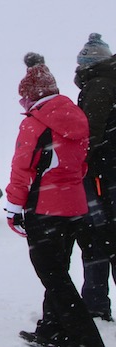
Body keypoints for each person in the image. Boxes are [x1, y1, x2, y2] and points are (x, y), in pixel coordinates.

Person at [5, 55, 105, 347]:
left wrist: (14, 208)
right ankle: (52, 330)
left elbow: (22, 169)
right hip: (74, 205)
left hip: (44, 207)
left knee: (53, 275)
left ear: (30, 96)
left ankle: (86, 339)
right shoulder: (76, 116)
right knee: (59, 268)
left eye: (23, 97)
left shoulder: (35, 123)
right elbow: (82, 164)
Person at [72, 36, 116, 321]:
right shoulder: (106, 82)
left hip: (103, 176)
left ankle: (96, 305)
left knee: (98, 241)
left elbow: (90, 134)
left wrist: (80, 165)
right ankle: (96, 304)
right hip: (108, 173)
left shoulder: (99, 86)